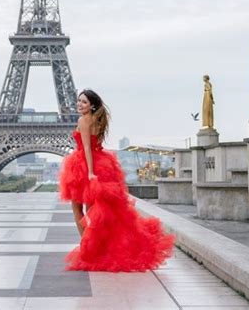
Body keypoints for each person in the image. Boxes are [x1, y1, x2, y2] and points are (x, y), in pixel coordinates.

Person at [59, 88, 176, 272]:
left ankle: (88, 250)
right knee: (93, 213)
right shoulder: (97, 120)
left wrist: (89, 172)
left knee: (78, 209)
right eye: (79, 101)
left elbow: (87, 149)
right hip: (101, 164)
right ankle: (94, 248)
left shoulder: (83, 120)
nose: (79, 104)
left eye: (83, 102)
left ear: (92, 105)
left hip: (84, 166)